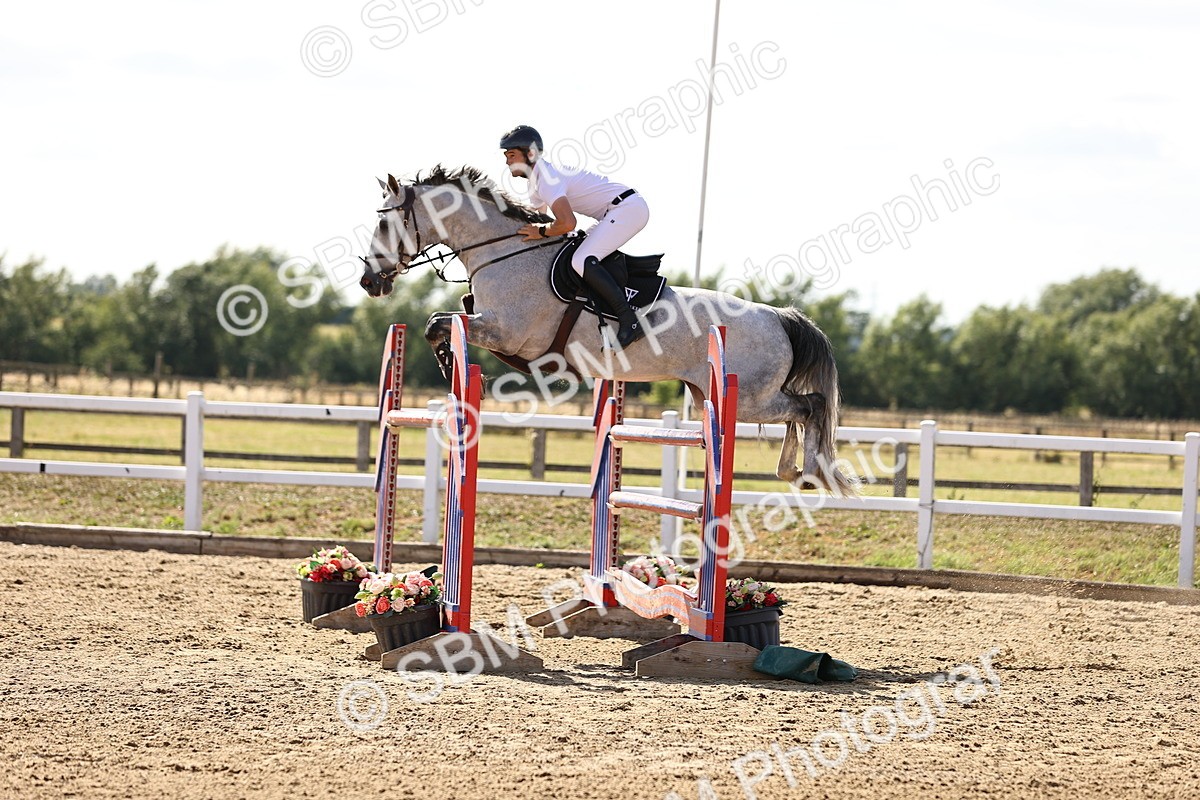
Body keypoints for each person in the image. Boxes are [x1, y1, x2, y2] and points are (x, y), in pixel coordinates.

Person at [500, 124, 649, 347]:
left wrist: (541, 231)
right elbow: (539, 222)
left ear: (530, 154)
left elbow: (567, 223)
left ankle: (630, 321)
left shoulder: (547, 179)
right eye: (506, 156)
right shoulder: (536, 183)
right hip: (616, 211)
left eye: (511, 155)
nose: (507, 161)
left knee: (581, 260)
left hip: (627, 209)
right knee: (573, 254)